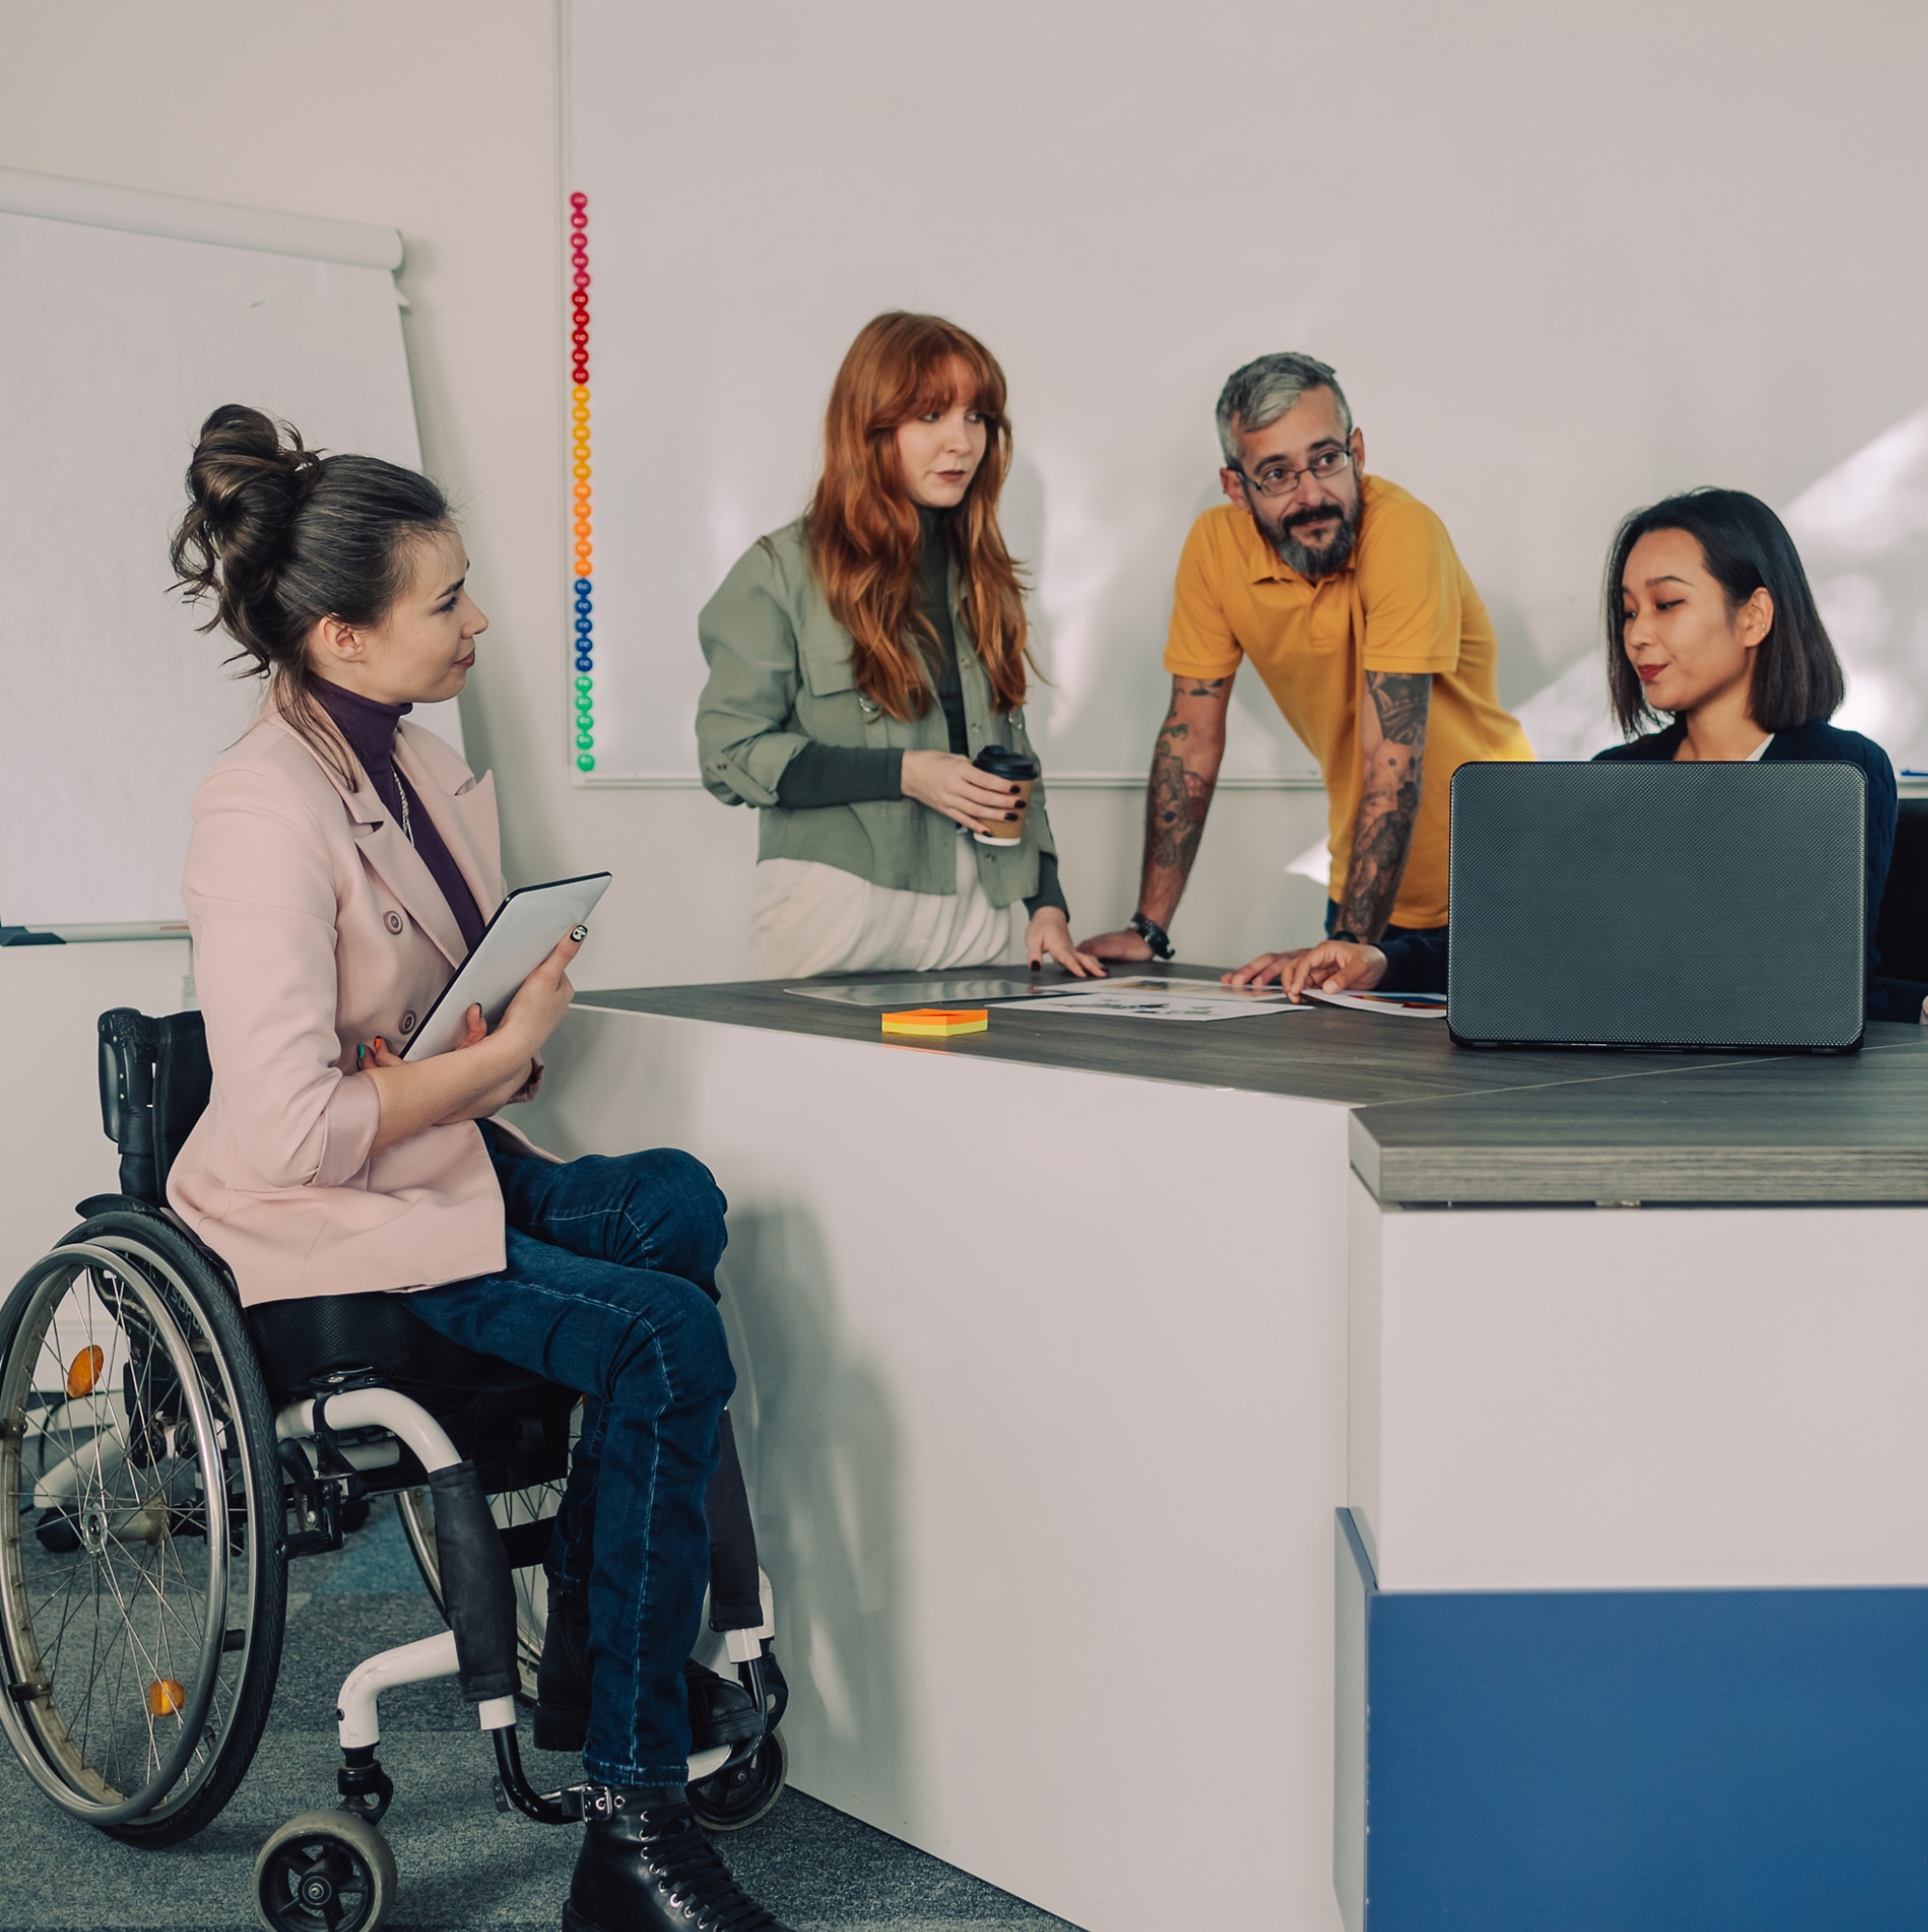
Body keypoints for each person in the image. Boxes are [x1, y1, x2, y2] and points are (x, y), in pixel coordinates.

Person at [163, 406, 796, 1932]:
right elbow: (293, 1130)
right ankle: (632, 1830)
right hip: (328, 1242)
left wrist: (484, 1052)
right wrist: (494, 1057)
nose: (479, 620)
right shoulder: (262, 808)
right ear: (339, 634)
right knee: (665, 1335)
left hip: (434, 1169)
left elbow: (427, 1054)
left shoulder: (418, 767)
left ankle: (588, 1646)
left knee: (676, 1202)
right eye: (446, 600)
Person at [1282, 487, 1911, 1017]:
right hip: (1618, 1084)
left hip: (1776, 1093)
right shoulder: (1616, 777)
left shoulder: (1841, 772)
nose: (1636, 634)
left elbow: (1830, 982)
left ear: (1754, 617)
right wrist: (1382, 958)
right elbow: (1528, 941)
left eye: (1668, 604)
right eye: (1627, 610)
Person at [1077, 352, 1532, 977]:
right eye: (1277, 474)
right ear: (1237, 486)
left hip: (1505, 885)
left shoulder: (1404, 534)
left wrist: (1346, 945)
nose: (1313, 494)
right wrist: (1149, 929)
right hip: (1364, 893)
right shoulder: (1215, 549)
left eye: (1326, 459)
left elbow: (1390, 757)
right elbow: (1191, 743)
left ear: (1359, 452)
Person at [696, 310, 1100, 979]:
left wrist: (1046, 903)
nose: (961, 443)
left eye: (976, 417)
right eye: (931, 416)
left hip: (985, 914)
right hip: (838, 910)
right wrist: (907, 774)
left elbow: (1014, 755)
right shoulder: (780, 571)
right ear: (870, 426)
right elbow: (729, 757)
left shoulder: (984, 573)